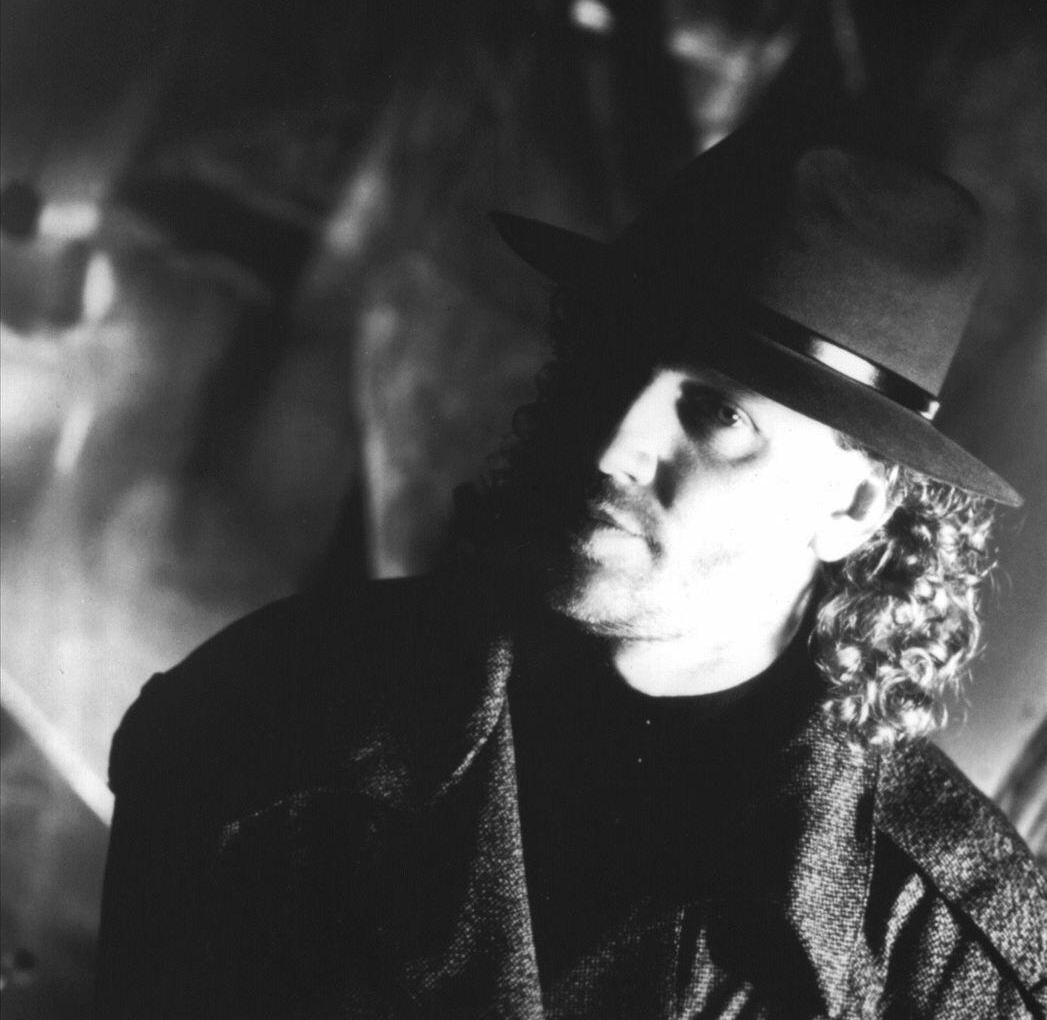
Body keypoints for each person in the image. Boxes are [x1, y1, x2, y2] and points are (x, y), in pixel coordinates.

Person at [95, 123, 1047, 1019]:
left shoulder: (945, 959)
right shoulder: (274, 703)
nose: (615, 446)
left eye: (717, 414)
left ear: (853, 508)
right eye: (617, 364)